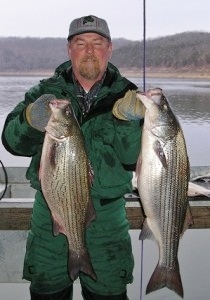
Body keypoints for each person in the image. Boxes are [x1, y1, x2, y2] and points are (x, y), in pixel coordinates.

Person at [1, 15, 145, 300]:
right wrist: (30, 120)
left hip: (108, 218)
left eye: (97, 43)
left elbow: (134, 160)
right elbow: (12, 143)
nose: (89, 50)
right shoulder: (44, 93)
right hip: (50, 212)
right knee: (47, 292)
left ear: (109, 48)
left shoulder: (128, 97)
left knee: (109, 294)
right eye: (81, 43)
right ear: (69, 50)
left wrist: (129, 123)